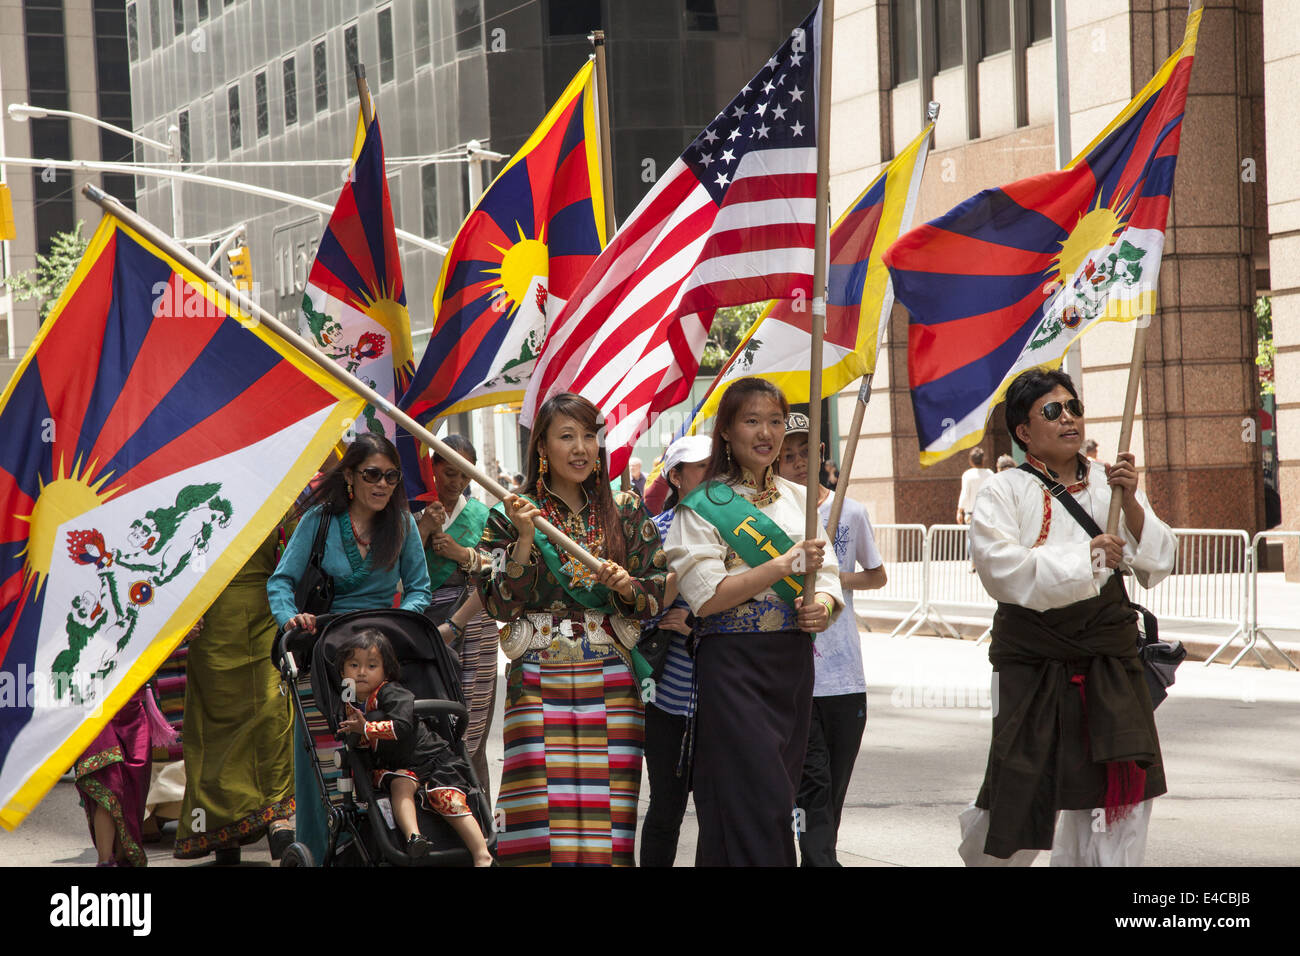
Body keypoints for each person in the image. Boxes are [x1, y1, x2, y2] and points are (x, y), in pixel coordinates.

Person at [960, 368, 1176, 866]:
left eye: (1073, 407)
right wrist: (1087, 560)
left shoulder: (1109, 482)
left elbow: (1158, 561)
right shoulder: (1003, 490)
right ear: (1024, 432)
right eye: (1052, 412)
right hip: (1032, 661)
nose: (1069, 418)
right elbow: (1001, 571)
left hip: (1109, 657)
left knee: (1120, 794)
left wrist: (1135, 509)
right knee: (1021, 784)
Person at [472, 393, 667, 866]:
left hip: (613, 681)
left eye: (589, 435)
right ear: (542, 446)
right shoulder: (508, 513)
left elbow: (656, 590)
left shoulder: (626, 508)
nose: (582, 447)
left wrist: (626, 588)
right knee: (540, 807)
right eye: (567, 436)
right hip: (538, 677)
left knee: (610, 809)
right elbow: (497, 601)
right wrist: (523, 539)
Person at [664, 378, 843, 866]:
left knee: (775, 797)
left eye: (775, 421)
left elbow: (827, 576)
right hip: (733, 667)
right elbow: (707, 598)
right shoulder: (702, 506)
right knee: (757, 797)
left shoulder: (801, 498)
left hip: (791, 665)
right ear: (725, 431)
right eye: (751, 421)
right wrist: (782, 565)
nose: (766, 433)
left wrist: (821, 607)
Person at [268, 433, 433, 866]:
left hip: (384, 655)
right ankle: (319, 852)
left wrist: (395, 625)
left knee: (396, 745)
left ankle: (393, 841)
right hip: (325, 652)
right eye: (372, 475)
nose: (382, 485)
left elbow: (419, 589)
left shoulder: (403, 523)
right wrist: (291, 619)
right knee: (322, 758)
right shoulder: (319, 520)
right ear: (349, 477)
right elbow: (281, 581)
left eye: (391, 477)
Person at [776, 412, 886, 867]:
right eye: (789, 456)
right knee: (812, 782)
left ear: (822, 454)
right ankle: (821, 861)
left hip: (844, 674)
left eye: (806, 452)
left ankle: (819, 854)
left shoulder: (850, 512)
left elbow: (877, 576)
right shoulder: (769, 517)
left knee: (833, 786)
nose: (799, 462)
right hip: (796, 674)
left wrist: (832, 577)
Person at [174, 525, 295, 865]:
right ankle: (223, 828)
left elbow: (297, 549)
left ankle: (277, 819)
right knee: (216, 729)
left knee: (273, 715)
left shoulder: (279, 490)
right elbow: (177, 556)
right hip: (212, 621)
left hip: (267, 614)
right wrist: (185, 611)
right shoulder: (199, 492)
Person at [336, 629, 494, 865]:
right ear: (342, 672)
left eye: (371, 666)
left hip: (435, 761)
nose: (360, 673)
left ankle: (482, 854)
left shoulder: (391, 692)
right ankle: (414, 838)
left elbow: (402, 726)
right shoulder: (352, 704)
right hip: (406, 767)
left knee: (444, 796)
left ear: (385, 671)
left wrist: (367, 728)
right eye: (353, 665)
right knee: (400, 786)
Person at [638, 433, 712, 867]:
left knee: (716, 812)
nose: (710, 475)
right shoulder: (655, 532)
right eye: (700, 467)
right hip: (666, 697)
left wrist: (696, 624)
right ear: (676, 476)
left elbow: (754, 609)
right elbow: (640, 613)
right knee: (666, 809)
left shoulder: (740, 530)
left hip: (722, 698)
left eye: (714, 465)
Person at [413, 434, 498, 798]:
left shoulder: (482, 515)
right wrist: (426, 529)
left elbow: (499, 567)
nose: (456, 482)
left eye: (464, 475)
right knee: (431, 719)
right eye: (448, 473)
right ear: (431, 468)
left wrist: (464, 554)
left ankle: (480, 814)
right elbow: (398, 568)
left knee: (473, 726)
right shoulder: (413, 513)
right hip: (426, 621)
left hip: (476, 619)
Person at [76, 684, 176, 867]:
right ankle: (104, 861)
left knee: (131, 790)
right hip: (96, 708)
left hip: (133, 715)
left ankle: (122, 855)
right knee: (108, 785)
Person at [956, 447, 994, 525]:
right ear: (983, 460)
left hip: (971, 515)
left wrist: (959, 511)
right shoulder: (990, 474)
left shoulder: (967, 475)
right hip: (987, 515)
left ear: (971, 461)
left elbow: (965, 494)